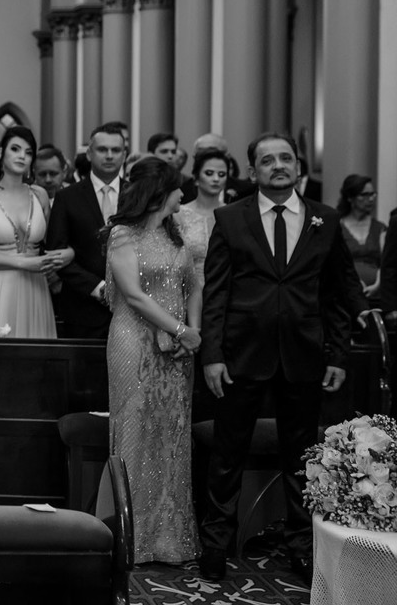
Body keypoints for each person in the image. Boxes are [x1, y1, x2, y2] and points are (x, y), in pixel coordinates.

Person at [197, 132, 357, 585]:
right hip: (241, 354)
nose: (278, 165)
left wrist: (338, 355)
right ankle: (215, 546)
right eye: (267, 160)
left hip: (303, 356)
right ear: (252, 171)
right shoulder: (230, 218)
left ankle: (302, 546)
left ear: (298, 166)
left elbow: (339, 294)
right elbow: (216, 293)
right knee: (227, 457)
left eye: (285, 158)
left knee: (302, 460)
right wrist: (212, 354)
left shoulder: (324, 219)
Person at [103, 157, 202, 564]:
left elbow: (195, 285)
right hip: (133, 343)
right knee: (134, 428)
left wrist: (191, 333)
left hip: (178, 347)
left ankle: (168, 537)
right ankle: (130, 534)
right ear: (161, 192)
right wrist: (183, 332)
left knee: (172, 433)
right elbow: (134, 294)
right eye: (178, 187)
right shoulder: (123, 235)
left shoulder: (177, 234)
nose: (184, 194)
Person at [0, 126, 67, 338]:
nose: (22, 156)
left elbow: (53, 243)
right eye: (15, 149)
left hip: (35, 286)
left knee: (35, 358)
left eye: (28, 152)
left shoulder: (39, 195)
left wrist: (69, 254)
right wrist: (24, 263)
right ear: (2, 152)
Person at [45, 122, 127, 339]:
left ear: (124, 155)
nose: (109, 156)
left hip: (131, 307)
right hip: (82, 308)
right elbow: (56, 253)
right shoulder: (67, 197)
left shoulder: (136, 195)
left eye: (116, 150)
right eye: (102, 150)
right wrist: (98, 287)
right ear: (90, 154)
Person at [174, 148, 230, 289]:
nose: (216, 179)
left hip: (225, 292)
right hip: (185, 291)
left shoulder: (234, 215)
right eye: (209, 173)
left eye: (222, 174)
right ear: (196, 178)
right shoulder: (179, 214)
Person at [337, 174, 385, 307]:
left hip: (376, 293)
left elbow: (386, 263)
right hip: (345, 294)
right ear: (350, 198)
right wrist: (354, 283)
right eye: (364, 195)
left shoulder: (379, 228)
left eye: (373, 194)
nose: (370, 199)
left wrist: (378, 285)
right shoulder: (337, 226)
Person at [181, 133, 252, 204]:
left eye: (213, 153)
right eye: (201, 153)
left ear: (227, 156)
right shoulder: (182, 190)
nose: (208, 158)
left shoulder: (246, 191)